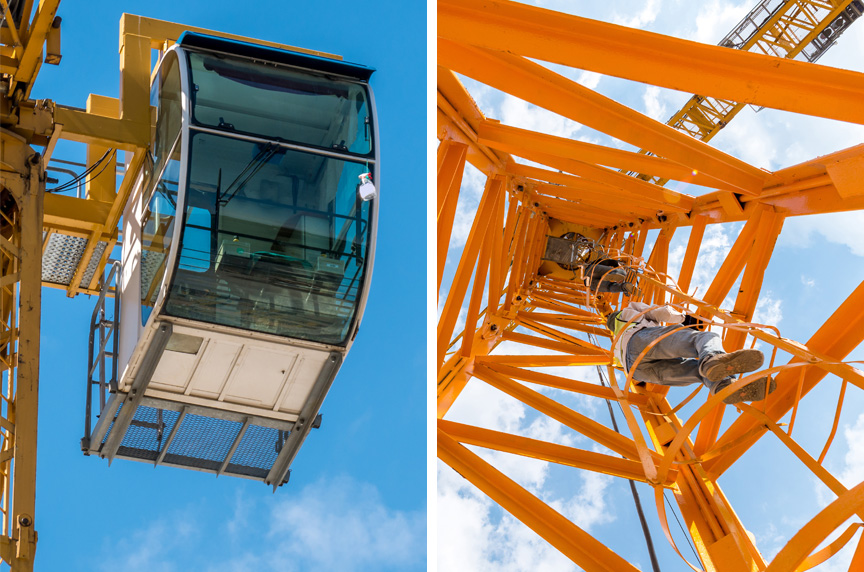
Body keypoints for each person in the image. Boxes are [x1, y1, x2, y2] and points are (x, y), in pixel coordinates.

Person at [606, 302, 776, 404]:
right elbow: (660, 312)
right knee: (703, 339)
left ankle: (723, 387)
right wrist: (684, 318)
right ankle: (712, 359)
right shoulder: (626, 312)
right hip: (640, 340)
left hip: (637, 371)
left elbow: (620, 363)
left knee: (700, 372)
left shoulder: (615, 344)